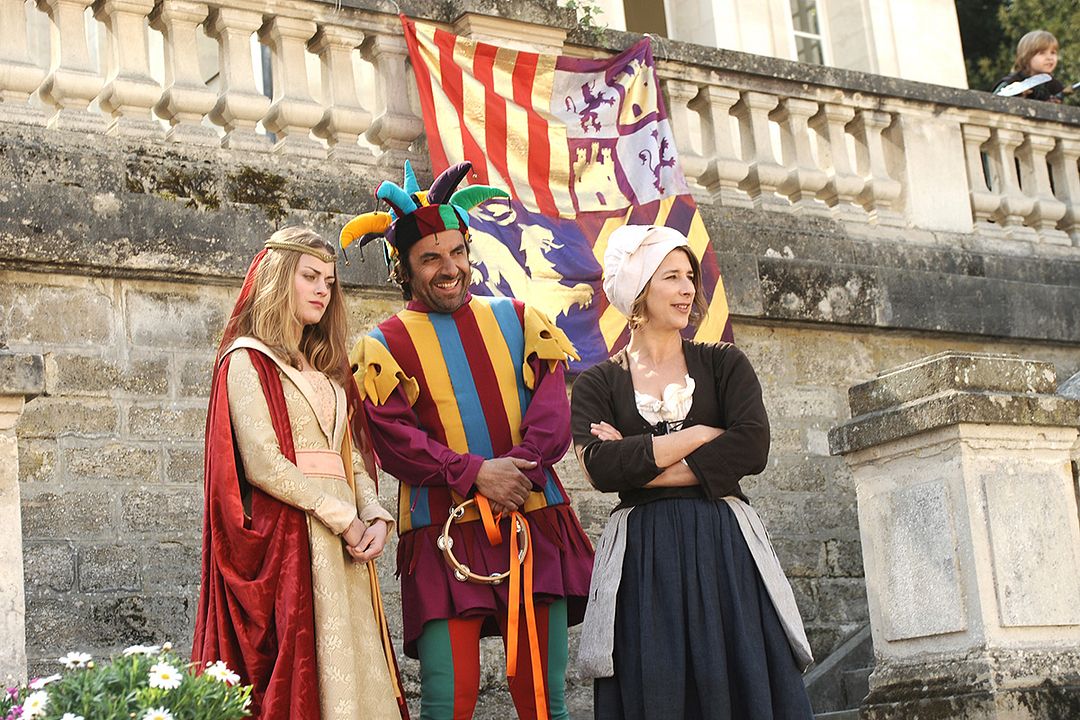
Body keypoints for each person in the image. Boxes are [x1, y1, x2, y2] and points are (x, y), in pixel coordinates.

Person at [343, 161, 594, 720]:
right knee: (446, 703)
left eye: (456, 252)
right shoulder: (381, 344)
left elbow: (552, 419)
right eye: (430, 257)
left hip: (530, 517)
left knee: (543, 703)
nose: (448, 267)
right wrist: (478, 474)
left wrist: (514, 474)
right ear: (405, 269)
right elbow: (395, 443)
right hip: (441, 531)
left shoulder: (523, 319)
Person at [570, 225, 815, 720]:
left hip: (723, 543)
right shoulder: (598, 382)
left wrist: (642, 462)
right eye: (671, 278)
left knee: (737, 668)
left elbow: (752, 445)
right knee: (656, 680)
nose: (688, 289)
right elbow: (600, 466)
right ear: (639, 291)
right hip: (644, 555)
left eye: (690, 277)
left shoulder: (724, 363)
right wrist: (702, 433)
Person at [192, 226, 406, 720]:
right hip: (297, 538)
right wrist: (341, 516)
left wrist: (373, 515)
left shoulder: (327, 371)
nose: (321, 291)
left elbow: (349, 455)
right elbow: (264, 462)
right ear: (277, 279)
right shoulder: (246, 360)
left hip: (346, 544)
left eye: (329, 282)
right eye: (310, 277)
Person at [993, 29, 1064, 102]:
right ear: (1027, 57)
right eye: (1042, 53)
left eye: (1053, 53)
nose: (1049, 58)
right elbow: (993, 102)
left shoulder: (1055, 87)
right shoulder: (1011, 83)